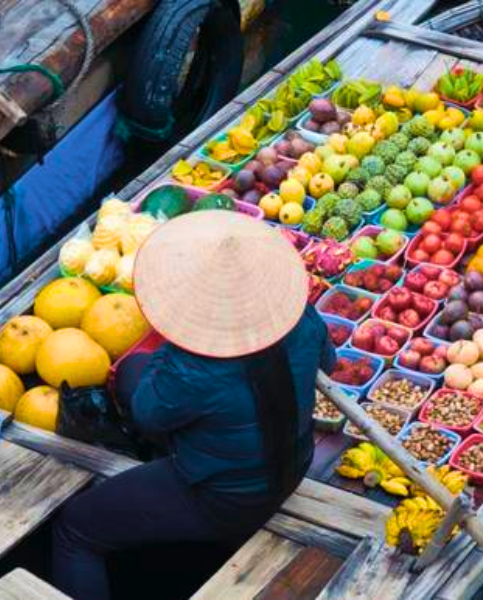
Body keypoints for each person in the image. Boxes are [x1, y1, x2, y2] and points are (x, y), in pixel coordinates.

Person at [52, 210, 336, 600]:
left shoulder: (193, 365)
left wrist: (176, 347)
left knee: (74, 530)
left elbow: (149, 414)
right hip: (293, 461)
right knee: (134, 369)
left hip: (227, 497)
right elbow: (328, 363)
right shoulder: (300, 316)